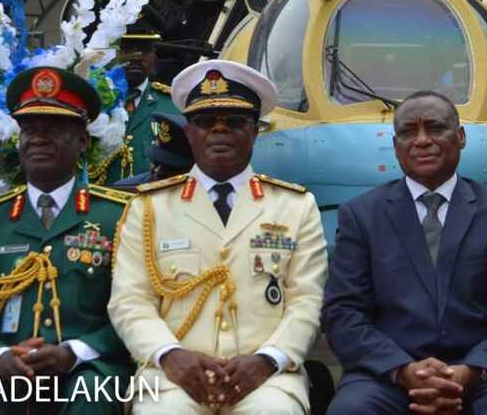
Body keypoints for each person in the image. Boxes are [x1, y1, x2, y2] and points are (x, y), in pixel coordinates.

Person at [108, 60, 327, 415]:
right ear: (189, 133)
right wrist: (169, 354)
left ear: (255, 132)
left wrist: (268, 359)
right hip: (172, 374)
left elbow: (307, 300)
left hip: (268, 376)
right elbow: (129, 300)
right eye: (205, 122)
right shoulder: (149, 208)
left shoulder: (295, 206)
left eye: (235, 122)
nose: (219, 131)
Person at [323, 90, 487, 414]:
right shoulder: (361, 215)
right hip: (388, 374)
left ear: (461, 137)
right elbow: (343, 313)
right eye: (408, 132)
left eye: (436, 128)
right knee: (351, 410)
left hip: (486, 372)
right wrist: (402, 370)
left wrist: (471, 370)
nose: (422, 140)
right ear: (395, 145)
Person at [0, 66, 132, 415]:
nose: (38, 139)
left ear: (82, 141)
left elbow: (134, 309)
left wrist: (74, 353)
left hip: (87, 365)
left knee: (92, 393)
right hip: (9, 367)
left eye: (54, 129)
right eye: (29, 130)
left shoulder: (120, 217)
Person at [94, 22, 178, 185]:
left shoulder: (172, 105)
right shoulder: (93, 101)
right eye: (126, 50)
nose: (136, 57)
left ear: (154, 55)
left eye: (144, 50)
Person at [114, 112, 193, 191]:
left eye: (168, 167)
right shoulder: (125, 188)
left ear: (190, 167)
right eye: (155, 162)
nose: (157, 170)